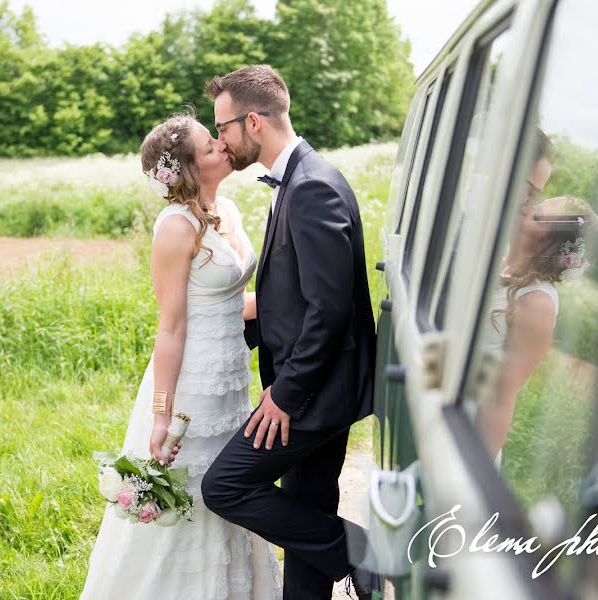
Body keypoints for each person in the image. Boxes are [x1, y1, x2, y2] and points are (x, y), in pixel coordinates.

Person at [80, 112, 282, 599]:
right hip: (190, 385)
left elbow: (232, 301)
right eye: (209, 146)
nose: (222, 147)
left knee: (228, 493)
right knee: (191, 492)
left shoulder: (227, 209)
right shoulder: (175, 227)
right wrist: (160, 415)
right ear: (191, 168)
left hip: (231, 377)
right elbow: (171, 327)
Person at [200, 65, 378, 599]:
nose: (221, 141)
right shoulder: (300, 177)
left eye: (224, 128)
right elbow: (301, 296)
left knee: (225, 486)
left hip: (315, 391)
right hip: (315, 383)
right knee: (305, 507)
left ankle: (362, 552)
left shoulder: (312, 187)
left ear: (252, 121)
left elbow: (330, 310)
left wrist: (285, 395)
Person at [476, 195, 598, 459]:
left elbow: (502, 396)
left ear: (547, 248)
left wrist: (475, 461)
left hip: (469, 423)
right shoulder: (502, 265)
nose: (527, 210)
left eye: (538, 216)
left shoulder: (537, 302)